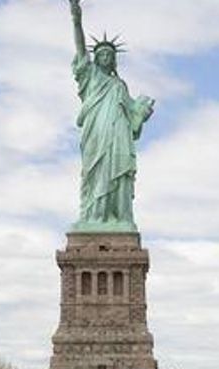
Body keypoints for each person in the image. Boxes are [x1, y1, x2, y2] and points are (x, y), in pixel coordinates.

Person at [68, 0, 154, 232]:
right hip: (95, 132)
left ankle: (117, 215)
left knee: (117, 171)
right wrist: (77, 20)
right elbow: (79, 49)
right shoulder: (91, 75)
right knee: (94, 172)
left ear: (114, 59)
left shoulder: (119, 85)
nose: (105, 56)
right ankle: (93, 215)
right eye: (102, 53)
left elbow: (134, 114)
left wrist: (143, 112)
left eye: (109, 54)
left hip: (118, 135)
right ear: (96, 58)